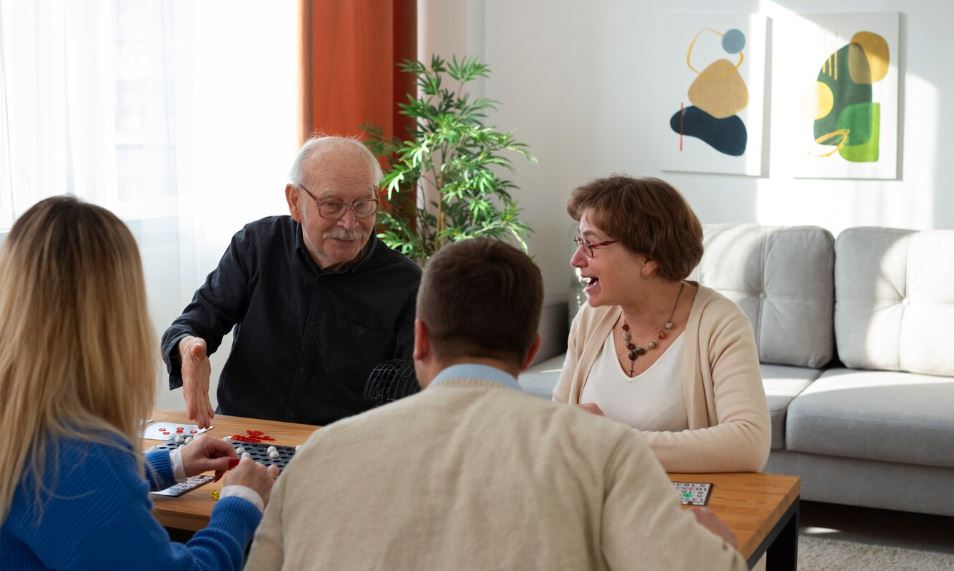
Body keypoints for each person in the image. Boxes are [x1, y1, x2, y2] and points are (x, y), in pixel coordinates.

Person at [244, 239, 747, 570]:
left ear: (419, 340)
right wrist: (721, 544)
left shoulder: (321, 454)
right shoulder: (605, 453)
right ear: (531, 350)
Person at [0, 196, 279, 569]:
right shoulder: (77, 459)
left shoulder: (28, 432)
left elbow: (71, 509)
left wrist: (171, 464)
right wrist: (240, 503)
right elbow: (81, 492)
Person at [161, 136, 422, 428]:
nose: (350, 223)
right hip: (244, 438)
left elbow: (414, 397)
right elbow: (190, 326)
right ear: (295, 201)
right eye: (332, 205)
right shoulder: (257, 247)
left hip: (335, 449)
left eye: (362, 205)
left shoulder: (405, 284)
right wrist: (189, 346)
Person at [554, 175, 771, 473]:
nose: (576, 259)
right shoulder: (591, 321)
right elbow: (559, 424)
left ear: (649, 258)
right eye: (580, 242)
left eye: (591, 244)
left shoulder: (721, 323)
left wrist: (616, 443)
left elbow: (749, 444)